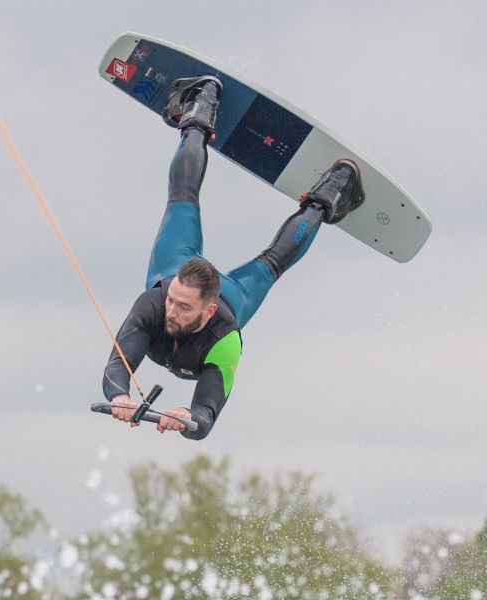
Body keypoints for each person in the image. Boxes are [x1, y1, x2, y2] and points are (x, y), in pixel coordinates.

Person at [101, 75, 364, 439]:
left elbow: (206, 414)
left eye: (183, 308)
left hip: (233, 294)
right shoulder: (155, 303)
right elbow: (117, 367)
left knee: (273, 263)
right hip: (176, 261)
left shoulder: (225, 337)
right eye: (173, 302)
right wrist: (119, 397)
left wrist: (188, 416)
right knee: (182, 198)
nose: (171, 312)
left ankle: (334, 191)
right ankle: (200, 108)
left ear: (207, 312)